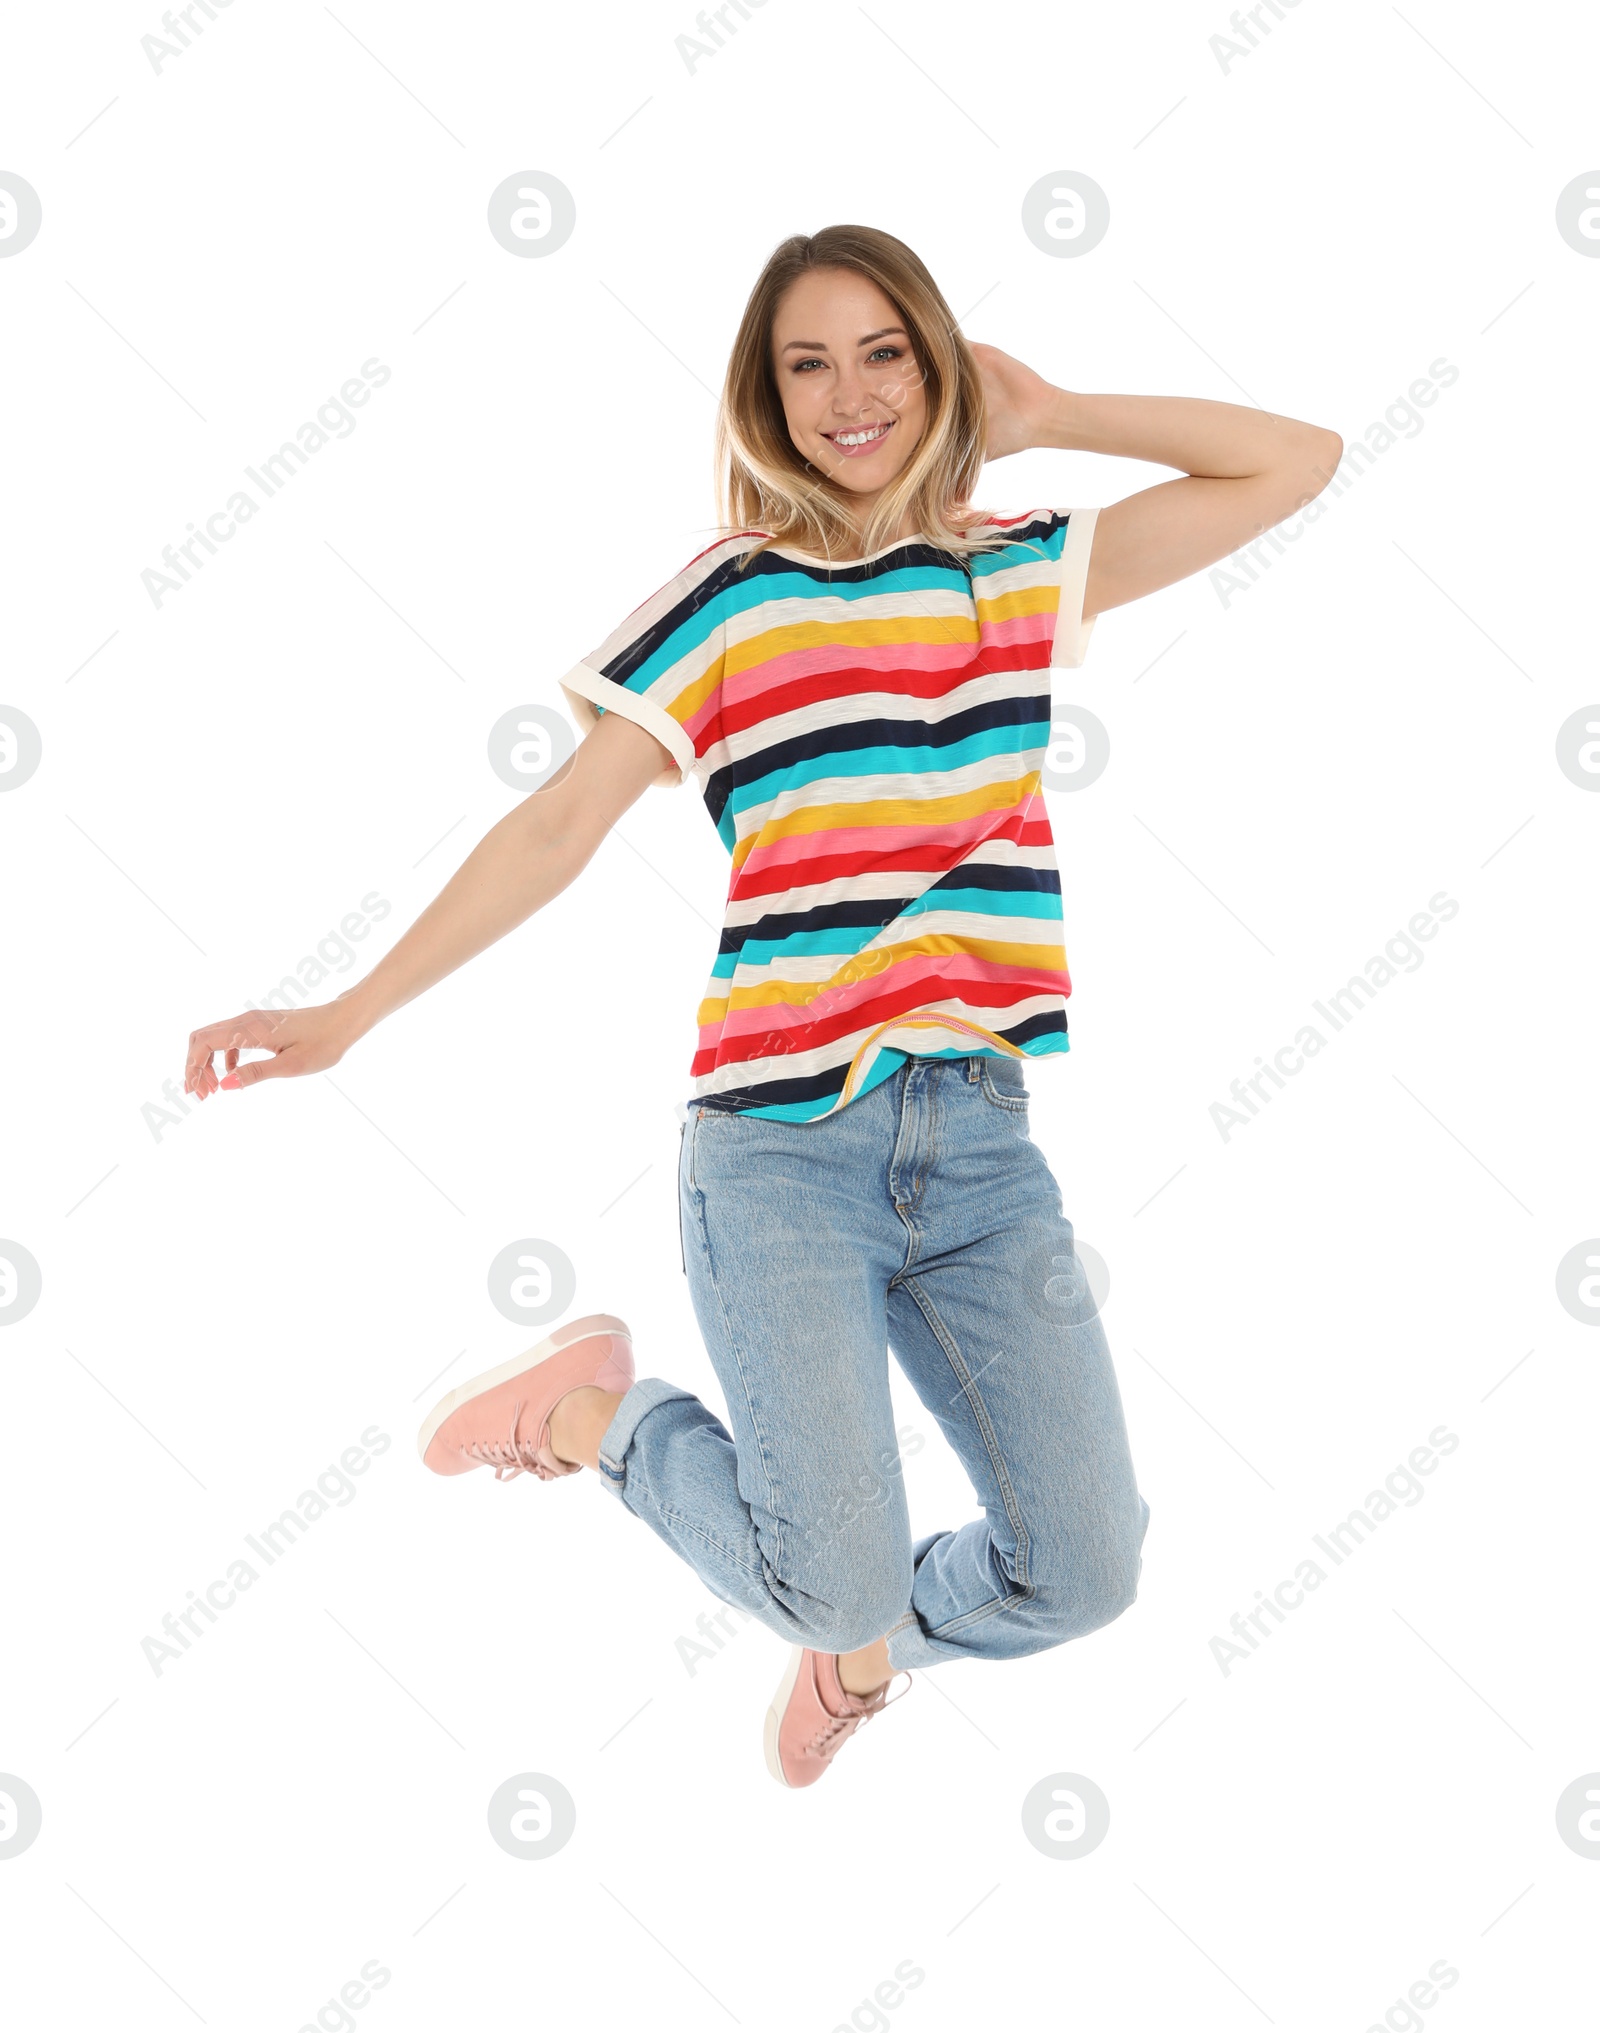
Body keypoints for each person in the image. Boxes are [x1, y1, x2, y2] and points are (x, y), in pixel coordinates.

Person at [185, 223, 1341, 1790]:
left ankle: (864, 1642)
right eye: (808, 364)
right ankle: (601, 1419)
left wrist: (1052, 408)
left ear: (939, 366)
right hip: (781, 1154)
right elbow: (553, 827)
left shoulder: (1018, 566)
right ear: (765, 396)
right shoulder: (732, 598)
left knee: (1084, 1571)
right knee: (827, 1568)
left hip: (984, 1154)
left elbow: (1296, 460)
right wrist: (351, 1009)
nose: (850, 395)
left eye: (884, 352)